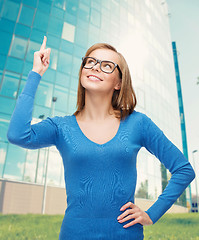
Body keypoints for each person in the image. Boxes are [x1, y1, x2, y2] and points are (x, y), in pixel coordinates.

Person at [7, 36, 195, 240]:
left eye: (107, 66)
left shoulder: (138, 123)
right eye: (90, 62)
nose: (96, 67)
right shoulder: (61, 126)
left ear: (119, 83)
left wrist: (152, 214)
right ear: (82, 71)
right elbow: (18, 135)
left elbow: (183, 170)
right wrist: (36, 73)